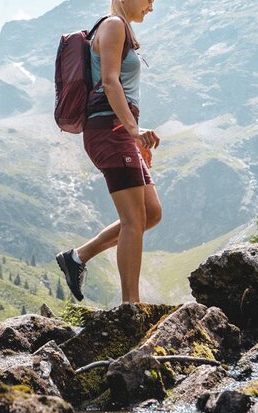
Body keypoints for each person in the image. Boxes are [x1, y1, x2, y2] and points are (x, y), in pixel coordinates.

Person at [56, 0, 162, 305]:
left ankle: (77, 258)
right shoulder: (113, 25)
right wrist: (133, 130)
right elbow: (110, 80)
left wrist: (135, 138)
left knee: (151, 213)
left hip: (119, 131)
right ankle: (132, 306)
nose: (151, 8)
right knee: (133, 218)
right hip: (110, 130)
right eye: (149, 1)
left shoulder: (121, 28)